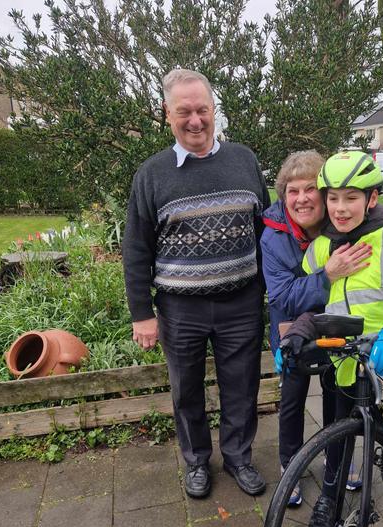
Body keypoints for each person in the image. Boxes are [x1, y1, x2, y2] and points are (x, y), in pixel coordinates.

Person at [122, 68, 270, 499]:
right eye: (183, 111)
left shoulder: (244, 160)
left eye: (202, 110)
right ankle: (196, 462)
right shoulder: (151, 175)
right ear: (167, 114)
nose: (195, 120)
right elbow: (136, 250)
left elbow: (270, 230)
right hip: (180, 309)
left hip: (241, 302)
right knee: (186, 390)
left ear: (214, 110)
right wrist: (142, 313)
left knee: (242, 384)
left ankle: (239, 457)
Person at [276, 151, 383, 527]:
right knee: (337, 422)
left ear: (372, 199)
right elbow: (314, 308)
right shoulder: (319, 249)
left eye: (351, 197)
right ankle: (329, 497)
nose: (340, 208)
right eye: (332, 198)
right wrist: (296, 337)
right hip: (348, 349)